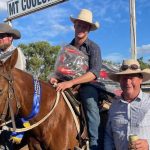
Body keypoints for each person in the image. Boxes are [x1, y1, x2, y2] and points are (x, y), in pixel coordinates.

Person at [50, 9, 102, 150]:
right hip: (65, 83)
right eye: (79, 25)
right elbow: (60, 70)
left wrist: (72, 82)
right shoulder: (66, 48)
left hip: (87, 85)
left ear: (89, 29)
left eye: (85, 26)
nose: (81, 28)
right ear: (74, 26)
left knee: (90, 104)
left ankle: (94, 142)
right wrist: (54, 77)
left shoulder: (93, 48)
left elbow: (94, 73)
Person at [104, 59, 150, 150]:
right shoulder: (114, 106)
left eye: (132, 77)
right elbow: (109, 135)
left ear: (140, 79)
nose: (128, 82)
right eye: (124, 78)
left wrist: (148, 145)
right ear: (120, 81)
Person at [0, 23, 26, 149]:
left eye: (2, 36)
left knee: (7, 141)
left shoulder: (16, 54)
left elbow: (17, 80)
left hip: (12, 100)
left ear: (10, 38)